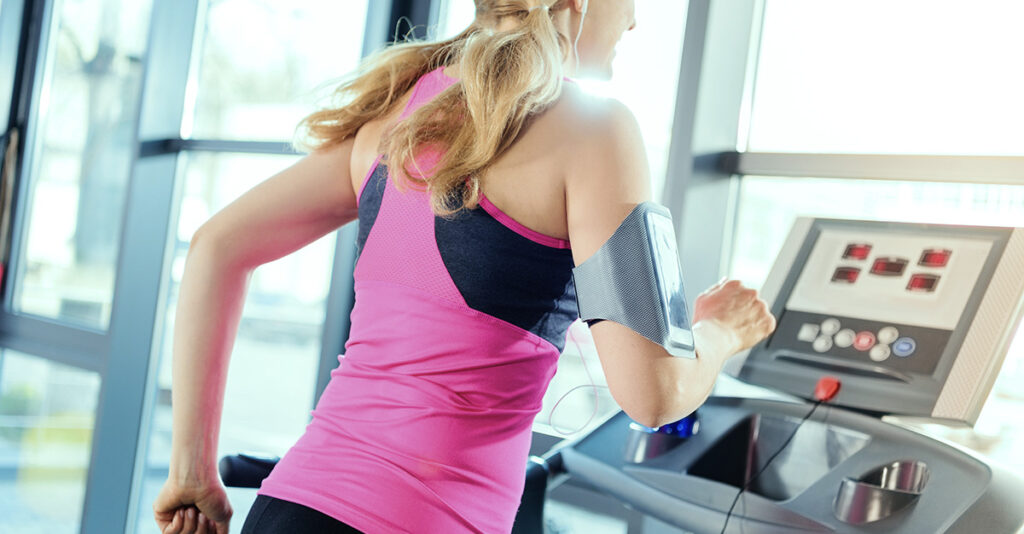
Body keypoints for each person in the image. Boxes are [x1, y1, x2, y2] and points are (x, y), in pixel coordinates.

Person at [152, 1, 776, 533]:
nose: (638, 20)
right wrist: (722, 330)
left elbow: (216, 247)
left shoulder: (400, 115)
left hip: (290, 508)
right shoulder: (595, 129)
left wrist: (191, 472)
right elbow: (655, 393)